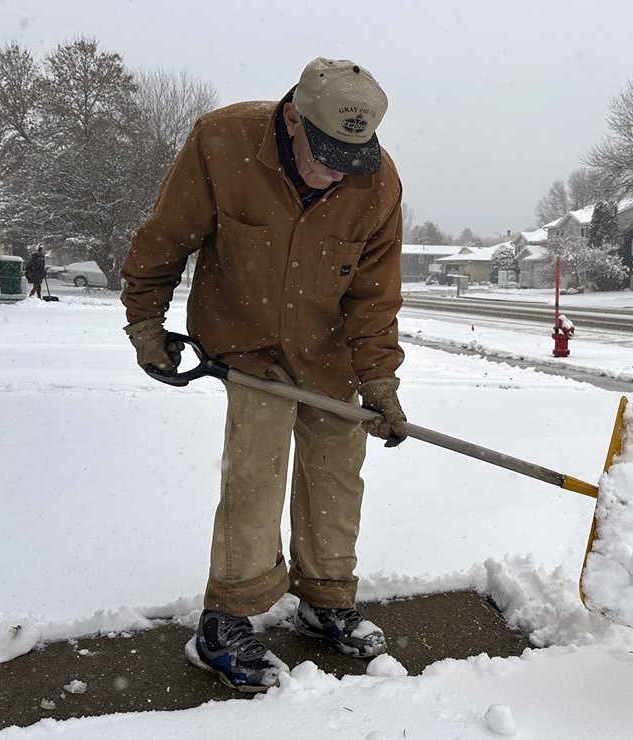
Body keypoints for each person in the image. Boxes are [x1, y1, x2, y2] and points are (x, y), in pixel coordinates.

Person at [119, 57, 407, 693]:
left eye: (352, 157)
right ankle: (227, 619)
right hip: (246, 344)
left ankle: (325, 598)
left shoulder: (377, 184)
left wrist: (381, 383)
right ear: (291, 118)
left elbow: (374, 298)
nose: (338, 170)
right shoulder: (223, 144)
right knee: (256, 471)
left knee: (337, 472)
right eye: (326, 152)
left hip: (329, 351)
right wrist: (146, 323)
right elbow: (164, 239)